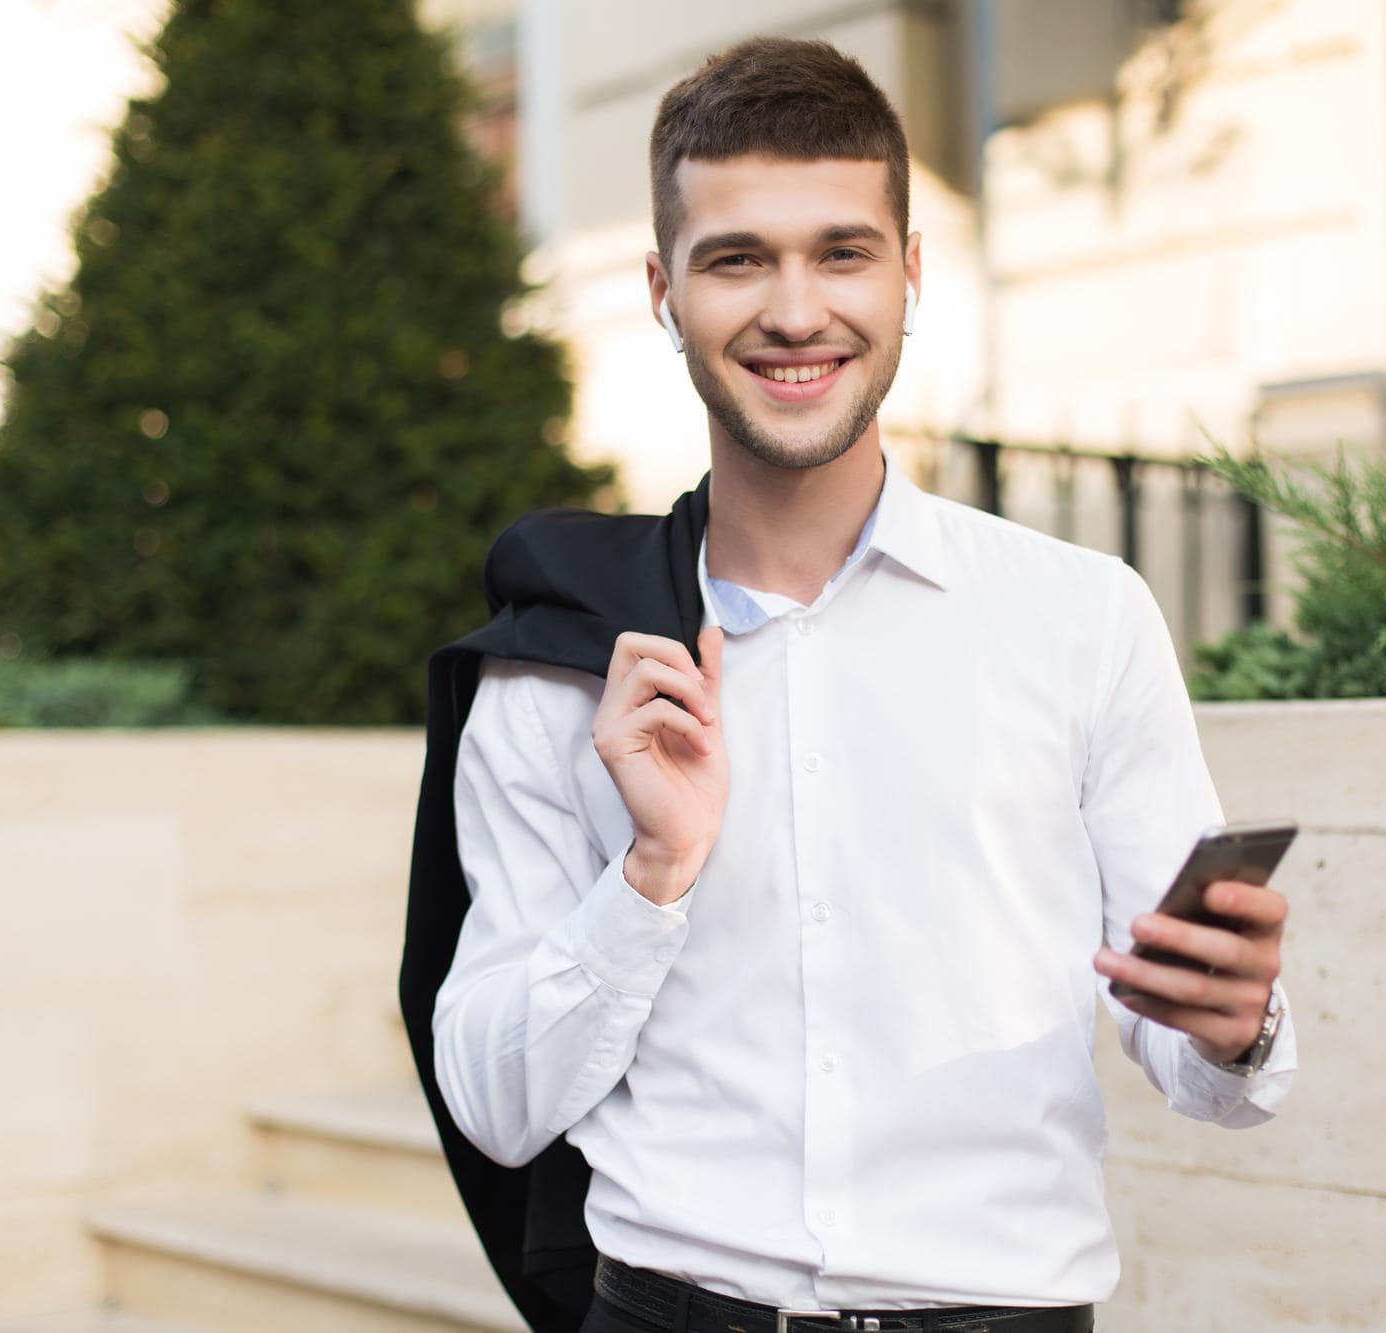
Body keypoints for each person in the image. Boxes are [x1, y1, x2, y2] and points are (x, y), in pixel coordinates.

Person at [423, 35, 1294, 1333]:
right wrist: (648, 881)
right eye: (736, 258)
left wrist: (1232, 1025)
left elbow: (1203, 1064)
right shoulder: (564, 666)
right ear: (663, 288)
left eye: (840, 251)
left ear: (909, 272)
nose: (793, 308)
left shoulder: (1081, 618)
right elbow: (493, 1108)